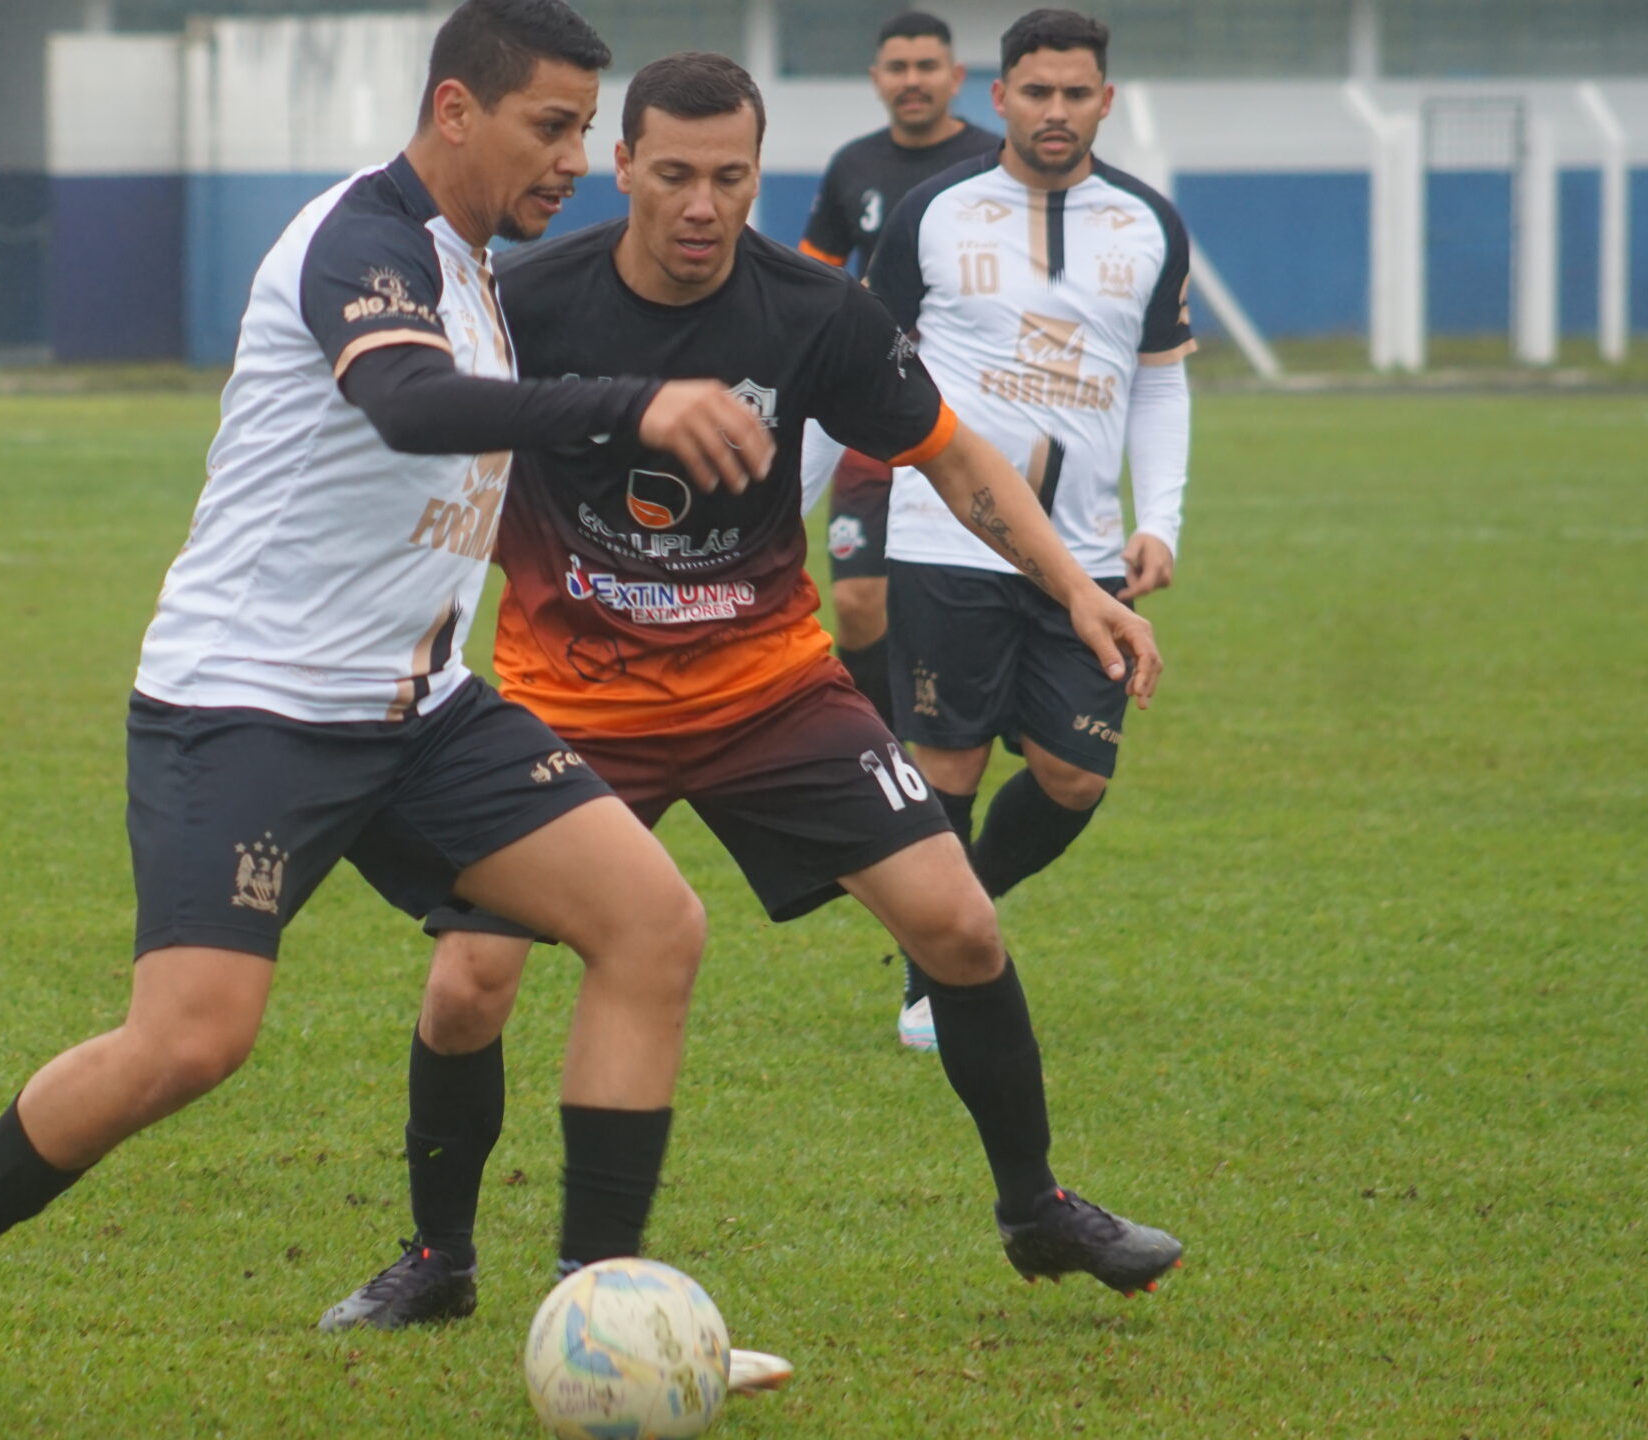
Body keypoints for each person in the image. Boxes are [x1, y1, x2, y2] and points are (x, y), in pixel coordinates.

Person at [0, 3, 786, 1429]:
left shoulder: (476, 268)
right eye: (551, 128)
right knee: (192, 1041)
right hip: (248, 706)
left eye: (581, 132)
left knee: (652, 925)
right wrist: (638, 405)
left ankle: (611, 1313)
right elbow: (408, 404)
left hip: (418, 706)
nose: (574, 160)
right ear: (455, 110)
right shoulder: (361, 242)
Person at [314, 52, 1185, 1369]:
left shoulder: (813, 310)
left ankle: (1036, 1208)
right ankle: (439, 1259)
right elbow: (423, 435)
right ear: (622, 168)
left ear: (758, 176)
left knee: (958, 924)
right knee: (467, 986)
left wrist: (1078, 590)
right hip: (568, 695)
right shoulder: (527, 300)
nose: (701, 205)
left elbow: (952, 457)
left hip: (768, 689)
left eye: (730, 178)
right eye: (673, 175)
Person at [852, 8, 1194, 1045]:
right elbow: (860, 364)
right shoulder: (933, 212)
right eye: (1036, 92)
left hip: (1085, 557)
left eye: (1075, 93)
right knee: (948, 767)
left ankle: (956, 910)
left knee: (1074, 776)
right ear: (998, 97)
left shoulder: (1148, 224)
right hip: (942, 542)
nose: (1056, 110)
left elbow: (1159, 383)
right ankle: (932, 980)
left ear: (1105, 100)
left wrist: (1161, 518)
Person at [799, 11, 1001, 731]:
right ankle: (883, 749)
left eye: (926, 67)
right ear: (877, 78)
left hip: (973, 412)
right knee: (856, 602)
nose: (912, 80)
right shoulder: (853, 166)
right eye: (898, 67)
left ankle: (960, 740)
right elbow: (816, 280)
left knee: (969, 604)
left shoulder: (994, 164)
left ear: (956, 76)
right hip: (871, 409)